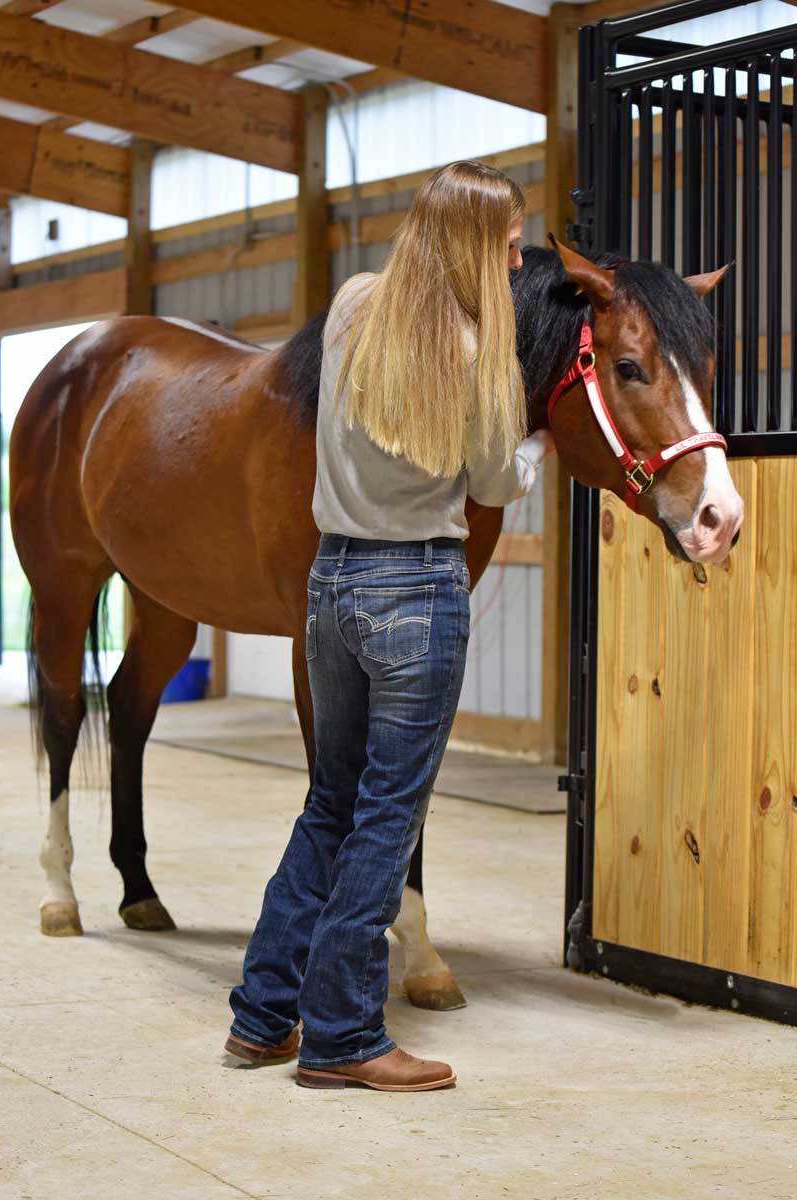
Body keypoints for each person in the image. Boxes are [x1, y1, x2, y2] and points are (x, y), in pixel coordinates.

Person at [225, 160, 553, 1092]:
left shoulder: (353, 305)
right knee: (385, 818)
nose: (517, 258)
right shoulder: (476, 350)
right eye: (505, 244)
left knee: (329, 805)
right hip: (416, 590)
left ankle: (260, 1017)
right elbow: (493, 484)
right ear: (469, 247)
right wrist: (531, 443)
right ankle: (340, 1035)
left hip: (331, 585)